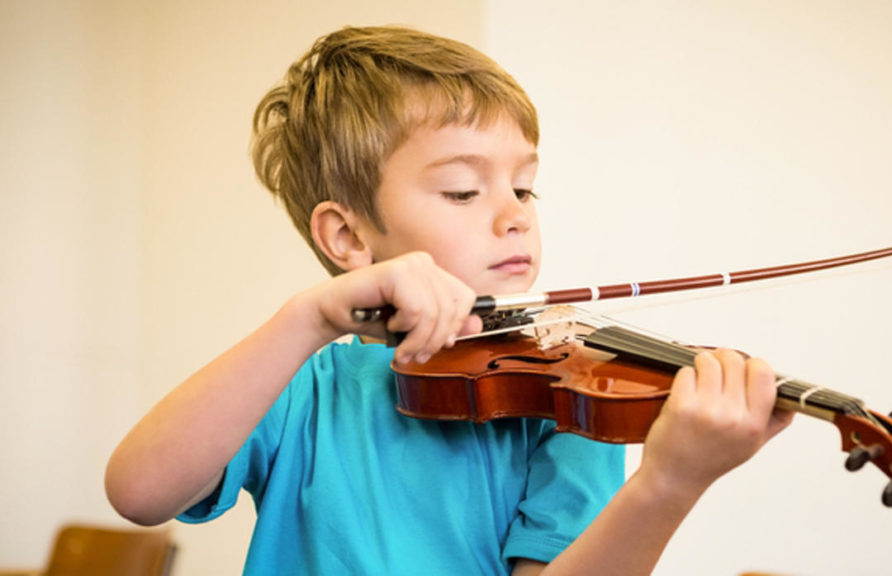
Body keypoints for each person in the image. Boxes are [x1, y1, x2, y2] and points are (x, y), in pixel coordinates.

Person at [105, 25, 793, 575]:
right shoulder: (305, 389)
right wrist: (307, 317)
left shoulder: (571, 404)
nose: (515, 215)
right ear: (346, 235)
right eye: (464, 190)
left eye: (524, 189)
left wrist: (668, 483)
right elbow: (138, 493)